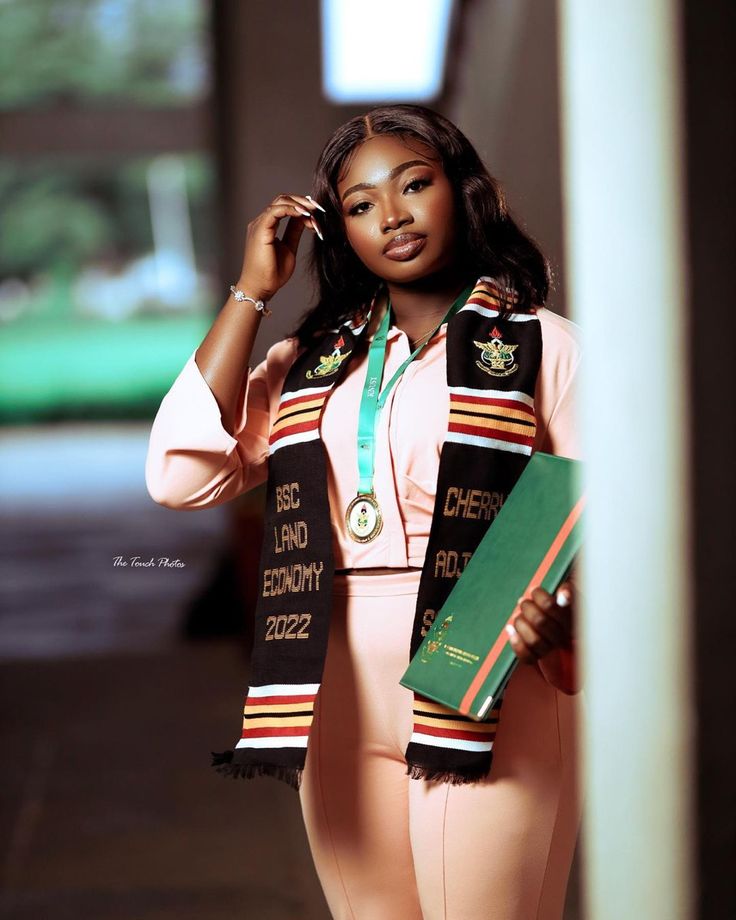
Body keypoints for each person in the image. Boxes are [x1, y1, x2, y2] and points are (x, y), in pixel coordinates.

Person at [146, 104, 583, 920]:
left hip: (483, 665)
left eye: (415, 184)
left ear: (465, 191)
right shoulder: (309, 364)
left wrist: (567, 617)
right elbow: (179, 474)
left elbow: (610, 513)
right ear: (338, 228)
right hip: (331, 675)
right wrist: (252, 293)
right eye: (359, 203)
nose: (392, 215)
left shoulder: (544, 347)